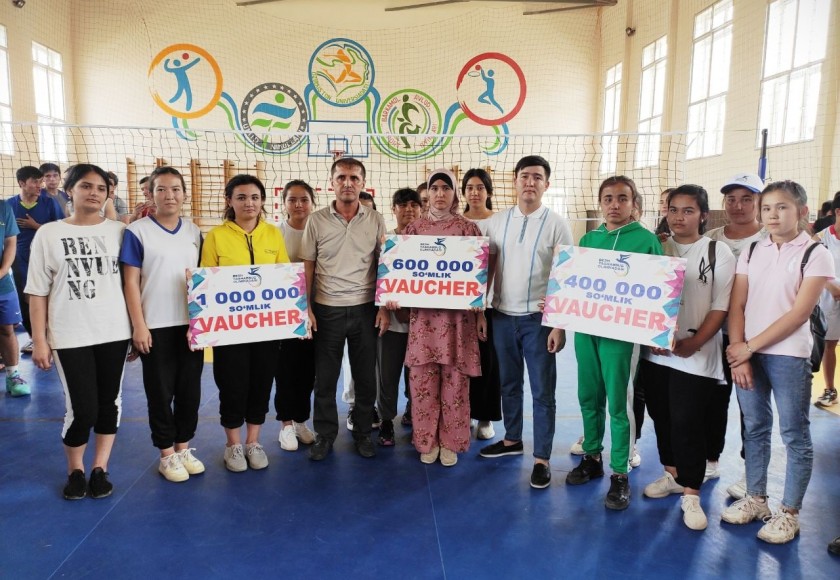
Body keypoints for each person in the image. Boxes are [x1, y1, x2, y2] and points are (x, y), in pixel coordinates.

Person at [722, 180, 833, 544]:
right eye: (767, 207)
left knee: (794, 434)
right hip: (747, 352)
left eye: (782, 207)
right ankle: (756, 499)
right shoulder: (752, 251)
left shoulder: (815, 254)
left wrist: (748, 347)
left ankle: (789, 513)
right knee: (754, 427)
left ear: (802, 212)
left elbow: (800, 313)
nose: (773, 214)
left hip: (788, 356)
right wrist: (738, 352)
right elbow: (737, 304)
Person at [26, 163, 132, 500]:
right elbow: (38, 291)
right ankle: (75, 470)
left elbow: (132, 284)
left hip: (114, 332)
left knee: (109, 405)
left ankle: (99, 468)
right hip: (70, 335)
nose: (94, 193)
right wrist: (40, 340)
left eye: (101, 188)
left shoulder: (119, 231)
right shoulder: (49, 233)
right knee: (82, 408)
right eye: (86, 186)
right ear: (69, 190)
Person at [638, 185, 735, 530]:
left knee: (688, 421)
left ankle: (692, 492)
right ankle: (672, 474)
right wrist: (651, 339)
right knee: (661, 417)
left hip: (696, 356)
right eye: (674, 210)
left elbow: (720, 306)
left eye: (688, 211)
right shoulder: (656, 247)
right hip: (655, 355)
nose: (679, 217)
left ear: (704, 215)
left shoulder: (717, 251)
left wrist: (693, 343)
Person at [567, 176, 662, 510]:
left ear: (633, 202)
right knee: (588, 395)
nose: (615, 205)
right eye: (608, 198)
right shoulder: (589, 238)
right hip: (585, 330)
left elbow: (658, 291)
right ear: (600, 202)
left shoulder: (646, 240)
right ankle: (592, 456)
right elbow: (572, 285)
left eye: (622, 198)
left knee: (619, 403)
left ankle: (619, 473)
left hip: (621, 336)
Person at [477, 156, 570, 488]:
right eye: (524, 176)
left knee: (543, 392)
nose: (530, 182)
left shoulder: (558, 224)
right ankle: (512, 439)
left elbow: (565, 276)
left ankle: (542, 458)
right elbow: (482, 269)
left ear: (546, 183)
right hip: (501, 317)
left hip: (539, 322)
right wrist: (481, 311)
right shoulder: (497, 222)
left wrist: (558, 324)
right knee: (509, 385)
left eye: (537, 177)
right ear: (514, 181)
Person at [389, 168, 485, 466]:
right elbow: (398, 272)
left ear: (455, 193)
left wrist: (478, 306)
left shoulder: (468, 230)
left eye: (446, 188)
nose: (440, 193)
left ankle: (451, 442)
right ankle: (426, 440)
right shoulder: (412, 231)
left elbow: (479, 276)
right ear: (427, 193)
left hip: (458, 321)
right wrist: (393, 293)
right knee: (422, 381)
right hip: (424, 321)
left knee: (455, 382)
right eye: (435, 188)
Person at [120, 166, 205, 483]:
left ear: (184, 194)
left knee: (189, 392)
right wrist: (138, 326)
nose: (169, 195)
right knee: (160, 392)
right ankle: (166, 454)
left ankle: (183, 447)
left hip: (189, 326)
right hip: (154, 325)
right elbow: (130, 283)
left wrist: (203, 322)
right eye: (162, 189)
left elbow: (202, 281)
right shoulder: (137, 231)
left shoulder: (194, 231)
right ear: (150, 194)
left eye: (175, 189)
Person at [300, 157, 389, 460]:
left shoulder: (375, 220)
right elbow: (308, 265)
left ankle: (363, 432)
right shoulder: (317, 219)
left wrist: (383, 308)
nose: (347, 183)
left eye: (354, 178)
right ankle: (325, 436)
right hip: (327, 310)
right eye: (341, 178)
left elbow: (384, 264)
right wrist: (307, 308)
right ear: (331, 183)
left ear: (363, 183)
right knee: (325, 378)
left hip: (365, 308)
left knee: (365, 378)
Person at [200, 174, 290, 472]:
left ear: (262, 201)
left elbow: (285, 276)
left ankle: (253, 442)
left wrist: (295, 317)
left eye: (254, 197)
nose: (248, 203)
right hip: (229, 331)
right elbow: (206, 283)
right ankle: (233, 445)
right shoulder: (215, 236)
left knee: (261, 384)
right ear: (229, 201)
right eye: (241, 197)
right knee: (232, 385)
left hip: (266, 328)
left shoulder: (273, 234)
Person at [705, 172, 765, 499]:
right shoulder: (711, 239)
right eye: (731, 199)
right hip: (714, 337)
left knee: (751, 408)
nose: (738, 206)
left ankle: (750, 472)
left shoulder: (772, 239)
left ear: (758, 201)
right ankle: (710, 459)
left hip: (753, 341)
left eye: (746, 199)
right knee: (713, 402)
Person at [274, 179, 317, 452]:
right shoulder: (275, 233)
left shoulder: (321, 229)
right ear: (284, 203)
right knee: (285, 369)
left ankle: (301, 420)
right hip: (284, 315)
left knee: (308, 371)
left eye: (304, 199)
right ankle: (286, 424)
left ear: (313, 202)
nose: (299, 204)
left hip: (317, 311)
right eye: (293, 199)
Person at [376, 187, 421, 446]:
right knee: (388, 374)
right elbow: (376, 279)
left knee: (416, 375)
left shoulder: (428, 241)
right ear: (393, 210)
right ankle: (385, 421)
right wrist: (383, 306)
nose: (409, 210)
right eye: (403, 205)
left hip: (422, 324)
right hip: (392, 323)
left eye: (414, 205)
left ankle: (415, 413)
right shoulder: (385, 241)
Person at [461, 168, 501, 440]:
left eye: (480, 187)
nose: (475, 192)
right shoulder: (455, 222)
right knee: (461, 362)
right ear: (463, 192)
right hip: (458, 304)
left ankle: (485, 416)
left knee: (488, 362)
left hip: (488, 304)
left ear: (488, 191)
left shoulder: (498, 222)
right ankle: (464, 413)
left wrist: (483, 302)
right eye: (470, 187)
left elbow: (495, 264)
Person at [9, 166, 64, 355]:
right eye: (35, 181)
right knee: (27, 297)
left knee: (50, 296)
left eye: (41, 181)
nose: (40, 185)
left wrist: (36, 226)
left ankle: (53, 335)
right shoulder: (9, 205)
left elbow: (60, 230)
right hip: (20, 260)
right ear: (22, 183)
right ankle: (34, 338)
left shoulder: (49, 203)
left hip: (47, 258)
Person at [0, 195, 29, 395]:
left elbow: (11, 243)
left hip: (2, 283)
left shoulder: (3, 207)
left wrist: (1, 272)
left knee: (6, 328)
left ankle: (13, 375)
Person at [815, 195, 840, 408]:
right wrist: (829, 284)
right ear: (838, 212)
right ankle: (830, 389)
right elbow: (813, 268)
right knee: (829, 345)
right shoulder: (820, 238)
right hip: (829, 298)